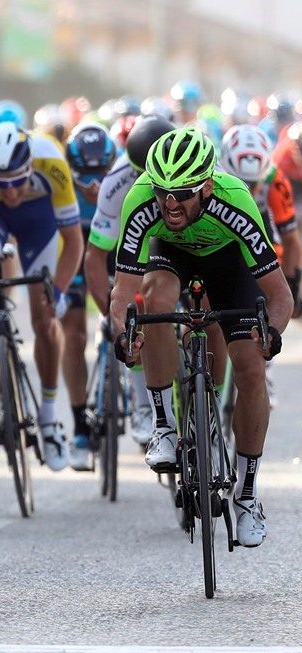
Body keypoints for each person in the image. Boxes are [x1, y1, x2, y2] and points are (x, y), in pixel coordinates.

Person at [109, 127, 292, 548]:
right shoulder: (140, 202)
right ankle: (164, 426)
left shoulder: (236, 201)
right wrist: (125, 333)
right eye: (162, 192)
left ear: (207, 186)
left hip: (228, 263)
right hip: (168, 256)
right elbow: (121, 293)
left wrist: (273, 335)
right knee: (152, 302)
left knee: (249, 368)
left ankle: (246, 497)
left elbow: (280, 295)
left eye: (184, 193)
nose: (170, 204)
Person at [0, 122, 84, 471]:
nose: (12, 191)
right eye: (2, 183)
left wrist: (57, 292)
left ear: (30, 167)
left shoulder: (51, 162)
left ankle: (48, 419)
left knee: (45, 318)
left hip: (38, 219)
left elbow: (73, 242)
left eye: (17, 181)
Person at [84, 115, 177, 450]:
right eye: (140, 174)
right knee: (138, 310)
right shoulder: (117, 182)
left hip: (182, 237)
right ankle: (144, 406)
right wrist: (111, 314)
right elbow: (94, 256)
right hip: (138, 239)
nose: (146, 183)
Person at [219, 123, 302, 406]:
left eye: (253, 185)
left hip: (264, 252)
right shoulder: (213, 181)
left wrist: (291, 284)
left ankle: (263, 363)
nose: (248, 191)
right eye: (239, 182)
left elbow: (292, 240)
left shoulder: (276, 181)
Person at [62, 122, 117, 470]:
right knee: (73, 333)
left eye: (102, 174)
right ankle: (80, 424)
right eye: (85, 175)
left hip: (113, 245)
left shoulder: (126, 174)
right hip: (76, 247)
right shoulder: (62, 183)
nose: (94, 183)